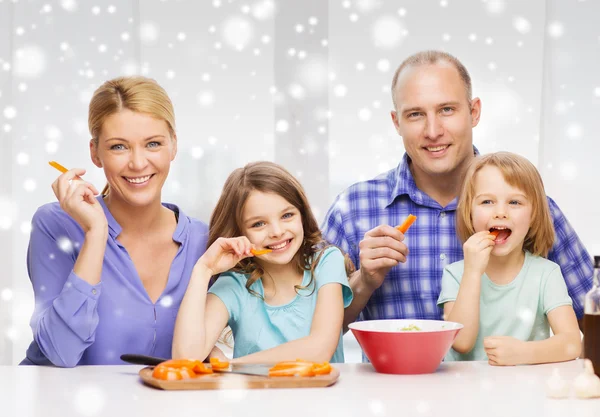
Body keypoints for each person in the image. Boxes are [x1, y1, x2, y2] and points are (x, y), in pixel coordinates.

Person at [321, 50, 593, 334]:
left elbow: (592, 316)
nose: (433, 130)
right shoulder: (353, 208)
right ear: (396, 122)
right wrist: (363, 282)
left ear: (474, 112)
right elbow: (310, 334)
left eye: (447, 110)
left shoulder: (530, 209)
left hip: (508, 378)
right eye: (415, 114)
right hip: (396, 379)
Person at [21, 76, 209, 367]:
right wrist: (96, 233)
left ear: (173, 146)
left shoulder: (204, 242)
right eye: (119, 147)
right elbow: (61, 352)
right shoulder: (56, 224)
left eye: (153, 144)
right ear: (95, 152)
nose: (137, 163)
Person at [172, 161, 353, 363]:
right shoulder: (234, 285)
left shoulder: (326, 262)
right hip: (257, 395)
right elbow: (186, 358)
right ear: (240, 232)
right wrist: (203, 269)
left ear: (302, 215)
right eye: (258, 224)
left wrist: (230, 366)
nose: (276, 232)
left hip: (320, 395)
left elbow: (319, 349)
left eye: (287, 215)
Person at [437, 152, 581, 365]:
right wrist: (472, 273)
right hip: (463, 390)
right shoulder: (456, 274)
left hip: (522, 390)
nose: (501, 212)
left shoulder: (546, 274)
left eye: (514, 202)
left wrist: (524, 353)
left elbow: (572, 343)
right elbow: (461, 342)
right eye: (487, 201)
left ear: (533, 214)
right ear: (469, 213)